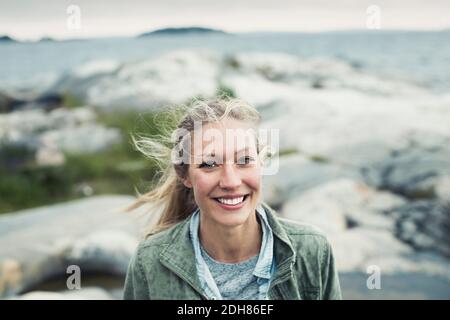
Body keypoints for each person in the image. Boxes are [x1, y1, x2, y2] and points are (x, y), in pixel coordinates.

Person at [123, 97, 342, 300]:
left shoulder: (312, 250)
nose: (231, 182)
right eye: (209, 164)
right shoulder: (149, 262)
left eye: (244, 160)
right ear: (185, 175)